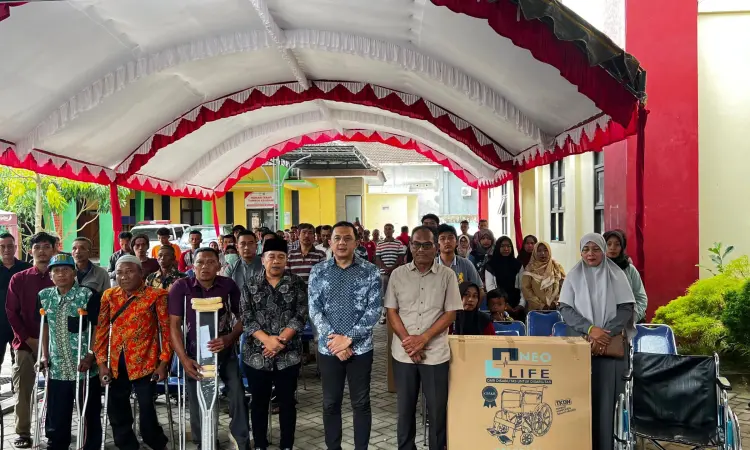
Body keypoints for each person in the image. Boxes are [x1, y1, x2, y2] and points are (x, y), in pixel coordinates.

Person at [385, 225, 462, 450]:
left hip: (435, 354)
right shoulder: (398, 274)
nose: (421, 249)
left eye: (427, 245)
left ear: (435, 247)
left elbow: (451, 313)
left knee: (437, 411)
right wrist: (410, 342)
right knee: (405, 410)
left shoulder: (447, 275)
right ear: (410, 246)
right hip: (404, 353)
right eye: (416, 244)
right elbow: (391, 311)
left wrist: (424, 339)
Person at [558, 233, 636, 450]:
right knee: (581, 398)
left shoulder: (616, 274)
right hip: (582, 346)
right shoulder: (573, 275)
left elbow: (626, 308)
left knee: (609, 399)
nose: (590, 254)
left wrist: (605, 334)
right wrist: (591, 330)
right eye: (585, 249)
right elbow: (566, 308)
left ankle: (609, 444)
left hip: (610, 349)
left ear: (602, 251)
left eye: (595, 249)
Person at [308, 221, 381, 450]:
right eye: (337, 238)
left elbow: (374, 310)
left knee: (361, 403)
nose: (342, 243)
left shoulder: (370, 271)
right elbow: (314, 309)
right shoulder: (318, 271)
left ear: (356, 242)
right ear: (329, 242)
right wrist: (335, 342)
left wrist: (348, 339)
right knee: (330, 403)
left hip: (360, 349)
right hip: (329, 349)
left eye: (347, 238)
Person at [168, 248, 249, 450]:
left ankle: (240, 437)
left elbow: (243, 318)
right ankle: (204, 440)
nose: (205, 266)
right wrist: (184, 359)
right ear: (193, 266)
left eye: (211, 262)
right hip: (194, 352)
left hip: (224, 349)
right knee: (197, 396)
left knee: (237, 392)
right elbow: (174, 325)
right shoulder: (181, 286)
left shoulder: (228, 285)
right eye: (200, 262)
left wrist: (230, 338)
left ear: (219, 265)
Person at [94, 255, 171, 450]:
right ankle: (127, 445)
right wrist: (101, 363)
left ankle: (155, 442)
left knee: (147, 408)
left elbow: (166, 331)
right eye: (119, 272)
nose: (124, 276)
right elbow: (101, 331)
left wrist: (163, 363)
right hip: (116, 363)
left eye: (129, 272)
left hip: (145, 361)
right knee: (117, 408)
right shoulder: (109, 295)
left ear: (141, 273)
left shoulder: (156, 296)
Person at [241, 238, 308, 450]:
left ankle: (286, 444)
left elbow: (301, 314)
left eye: (281, 257)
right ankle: (260, 444)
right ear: (263, 259)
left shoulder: (297, 283)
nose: (276, 261)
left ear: (286, 260)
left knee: (287, 402)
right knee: (258, 403)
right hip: (256, 354)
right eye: (271, 257)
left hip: (288, 354)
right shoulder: (250, 284)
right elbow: (246, 317)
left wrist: (281, 340)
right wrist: (267, 340)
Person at [38, 254, 101, 450]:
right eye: (56, 270)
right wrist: (44, 355)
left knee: (88, 413)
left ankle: (89, 446)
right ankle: (56, 445)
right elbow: (44, 327)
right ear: (50, 275)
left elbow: (98, 327)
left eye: (66, 270)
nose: (61, 274)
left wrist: (91, 355)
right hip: (57, 368)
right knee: (56, 415)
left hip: (83, 367)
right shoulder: (44, 296)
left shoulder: (88, 295)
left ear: (74, 273)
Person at [5, 232, 56, 448]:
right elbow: (11, 312)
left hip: (56, 345)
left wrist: (48, 344)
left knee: (56, 390)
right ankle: (23, 433)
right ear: (30, 251)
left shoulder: (62, 276)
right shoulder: (19, 278)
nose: (42, 251)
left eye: (46, 246)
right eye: (37, 247)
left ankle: (54, 430)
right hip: (25, 344)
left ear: (54, 249)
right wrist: (30, 340)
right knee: (23, 390)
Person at [0, 233, 31, 368]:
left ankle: (18, 384)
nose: (6, 249)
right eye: (2, 246)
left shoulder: (26, 268)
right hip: (0, 323)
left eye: (10, 246)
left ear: (15, 247)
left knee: (20, 363)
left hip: (20, 323)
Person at [604, 230, 648, 322]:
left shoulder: (629, 269)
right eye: (609, 244)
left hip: (628, 322)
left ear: (622, 247)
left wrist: (633, 318)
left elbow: (641, 298)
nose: (612, 248)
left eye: (617, 244)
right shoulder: (596, 269)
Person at [485, 236, 525, 320]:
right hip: (497, 304)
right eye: (503, 246)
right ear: (498, 247)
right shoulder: (491, 265)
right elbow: (490, 288)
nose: (506, 249)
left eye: (508, 246)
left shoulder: (518, 265)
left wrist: (521, 304)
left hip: (516, 305)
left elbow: (522, 286)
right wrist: (504, 305)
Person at [374, 223, 406, 324]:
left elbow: (401, 257)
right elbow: (377, 258)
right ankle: (384, 313)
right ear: (384, 231)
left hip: (396, 272)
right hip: (384, 273)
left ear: (393, 231)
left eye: (390, 229)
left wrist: (392, 269)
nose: (388, 231)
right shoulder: (380, 244)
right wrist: (385, 268)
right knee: (384, 293)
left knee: (397, 293)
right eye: (386, 229)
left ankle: (397, 314)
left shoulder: (398, 243)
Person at [521, 242, 565, 311]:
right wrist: (540, 305)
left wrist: (555, 302)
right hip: (535, 310)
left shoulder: (557, 267)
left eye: (545, 250)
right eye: (539, 251)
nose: (543, 253)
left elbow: (564, 287)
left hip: (556, 309)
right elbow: (526, 290)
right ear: (535, 252)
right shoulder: (529, 269)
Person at [436, 224, 483, 289]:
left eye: (450, 238)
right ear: (437, 244)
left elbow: (479, 289)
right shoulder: (431, 265)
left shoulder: (466, 264)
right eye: (442, 238)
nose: (447, 241)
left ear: (457, 242)